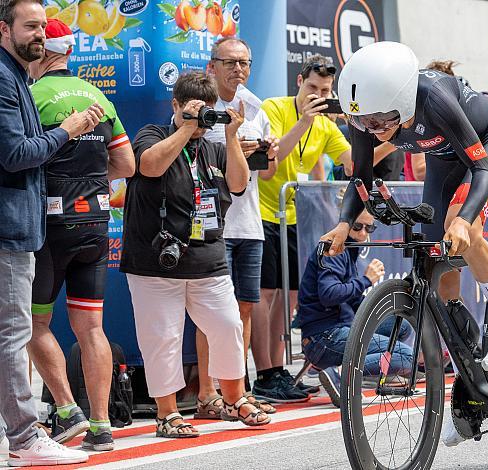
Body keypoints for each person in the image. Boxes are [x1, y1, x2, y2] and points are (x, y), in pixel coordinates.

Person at [326, 41, 488, 372]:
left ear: (403, 102)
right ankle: (467, 370)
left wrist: (463, 220)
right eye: (365, 122)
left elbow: (482, 169)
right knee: (439, 257)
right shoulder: (367, 118)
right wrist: (344, 222)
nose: (375, 130)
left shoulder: (434, 98)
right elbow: (360, 178)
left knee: (462, 226)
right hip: (445, 161)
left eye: (382, 120)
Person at [120, 71, 270, 437]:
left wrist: (231, 136)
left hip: (208, 260)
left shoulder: (215, 147)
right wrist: (186, 128)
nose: (204, 120)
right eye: (196, 110)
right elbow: (149, 166)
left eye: (209, 112)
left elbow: (237, 184)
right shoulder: (152, 134)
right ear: (175, 105)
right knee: (163, 338)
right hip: (155, 263)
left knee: (228, 326)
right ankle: (167, 413)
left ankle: (236, 398)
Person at [26, 18, 135, 451]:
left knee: (32, 323)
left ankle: (68, 410)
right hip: (96, 224)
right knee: (91, 327)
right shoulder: (98, 97)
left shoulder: (32, 95)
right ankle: (102, 425)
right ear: (70, 52)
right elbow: (126, 165)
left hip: (50, 226)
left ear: (42, 52)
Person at [0, 0, 101, 465]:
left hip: (26, 228)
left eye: (44, 26)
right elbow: (15, 154)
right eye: (30, 26)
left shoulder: (20, 78)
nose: (40, 33)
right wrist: (68, 130)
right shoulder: (5, 78)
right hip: (10, 229)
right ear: (4, 28)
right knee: (15, 331)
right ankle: (24, 438)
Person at [253, 55, 352, 403]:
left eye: (325, 90)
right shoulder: (273, 108)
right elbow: (270, 163)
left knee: (290, 296)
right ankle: (263, 372)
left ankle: (278, 370)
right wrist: (304, 121)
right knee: (264, 295)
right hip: (263, 212)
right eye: (312, 87)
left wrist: (361, 125)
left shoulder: (326, 125)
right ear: (299, 82)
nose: (318, 95)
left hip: (298, 218)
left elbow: (352, 162)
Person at [195, 37, 279, 418]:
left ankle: (237, 391)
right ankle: (206, 393)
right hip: (213, 224)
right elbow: (192, 155)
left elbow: (270, 170)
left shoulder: (256, 105)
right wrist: (232, 148)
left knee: (244, 308)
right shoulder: (200, 106)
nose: (238, 70)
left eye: (244, 63)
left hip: (250, 223)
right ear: (211, 65)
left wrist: (267, 152)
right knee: (212, 312)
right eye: (230, 63)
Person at [298, 210, 414, 407]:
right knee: (405, 356)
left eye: (369, 228)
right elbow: (329, 295)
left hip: (334, 330)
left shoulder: (349, 249)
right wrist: (366, 280)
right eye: (358, 227)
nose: (362, 234)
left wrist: (383, 307)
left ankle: (367, 372)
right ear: (345, 224)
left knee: (400, 325)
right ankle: (342, 374)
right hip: (324, 337)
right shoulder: (333, 248)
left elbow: (351, 302)